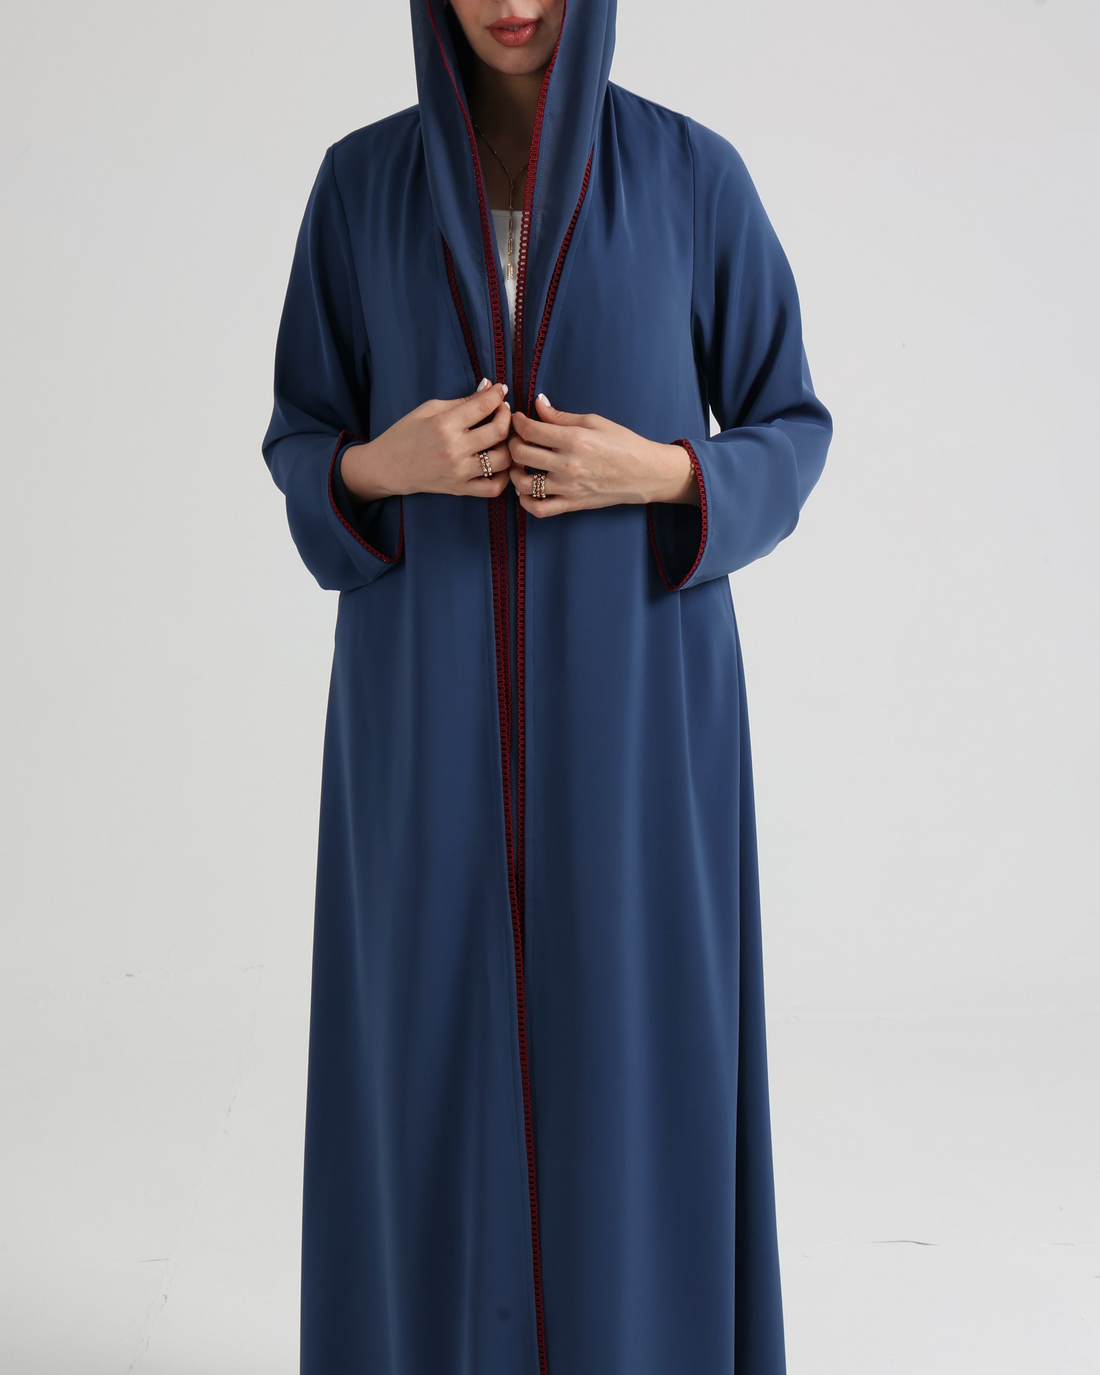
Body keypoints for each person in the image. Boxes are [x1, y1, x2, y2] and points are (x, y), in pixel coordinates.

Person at [261, 2, 832, 1372]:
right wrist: (382, 465)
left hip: (640, 715)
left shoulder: (692, 177)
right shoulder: (359, 187)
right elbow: (300, 436)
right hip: (420, 717)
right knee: (422, 1058)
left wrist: (667, 472)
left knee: (638, 1057)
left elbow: (791, 427)